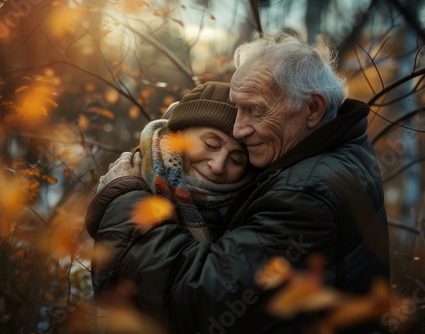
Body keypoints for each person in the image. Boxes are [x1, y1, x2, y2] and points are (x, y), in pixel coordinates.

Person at [89, 33, 390, 334]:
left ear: (312, 109)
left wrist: (125, 204)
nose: (239, 129)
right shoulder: (329, 160)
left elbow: (201, 299)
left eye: (255, 110)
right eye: (238, 108)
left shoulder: (308, 191)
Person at [85, 81, 255, 303]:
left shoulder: (247, 214)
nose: (218, 165)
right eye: (212, 144)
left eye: (236, 159)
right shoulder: (133, 177)